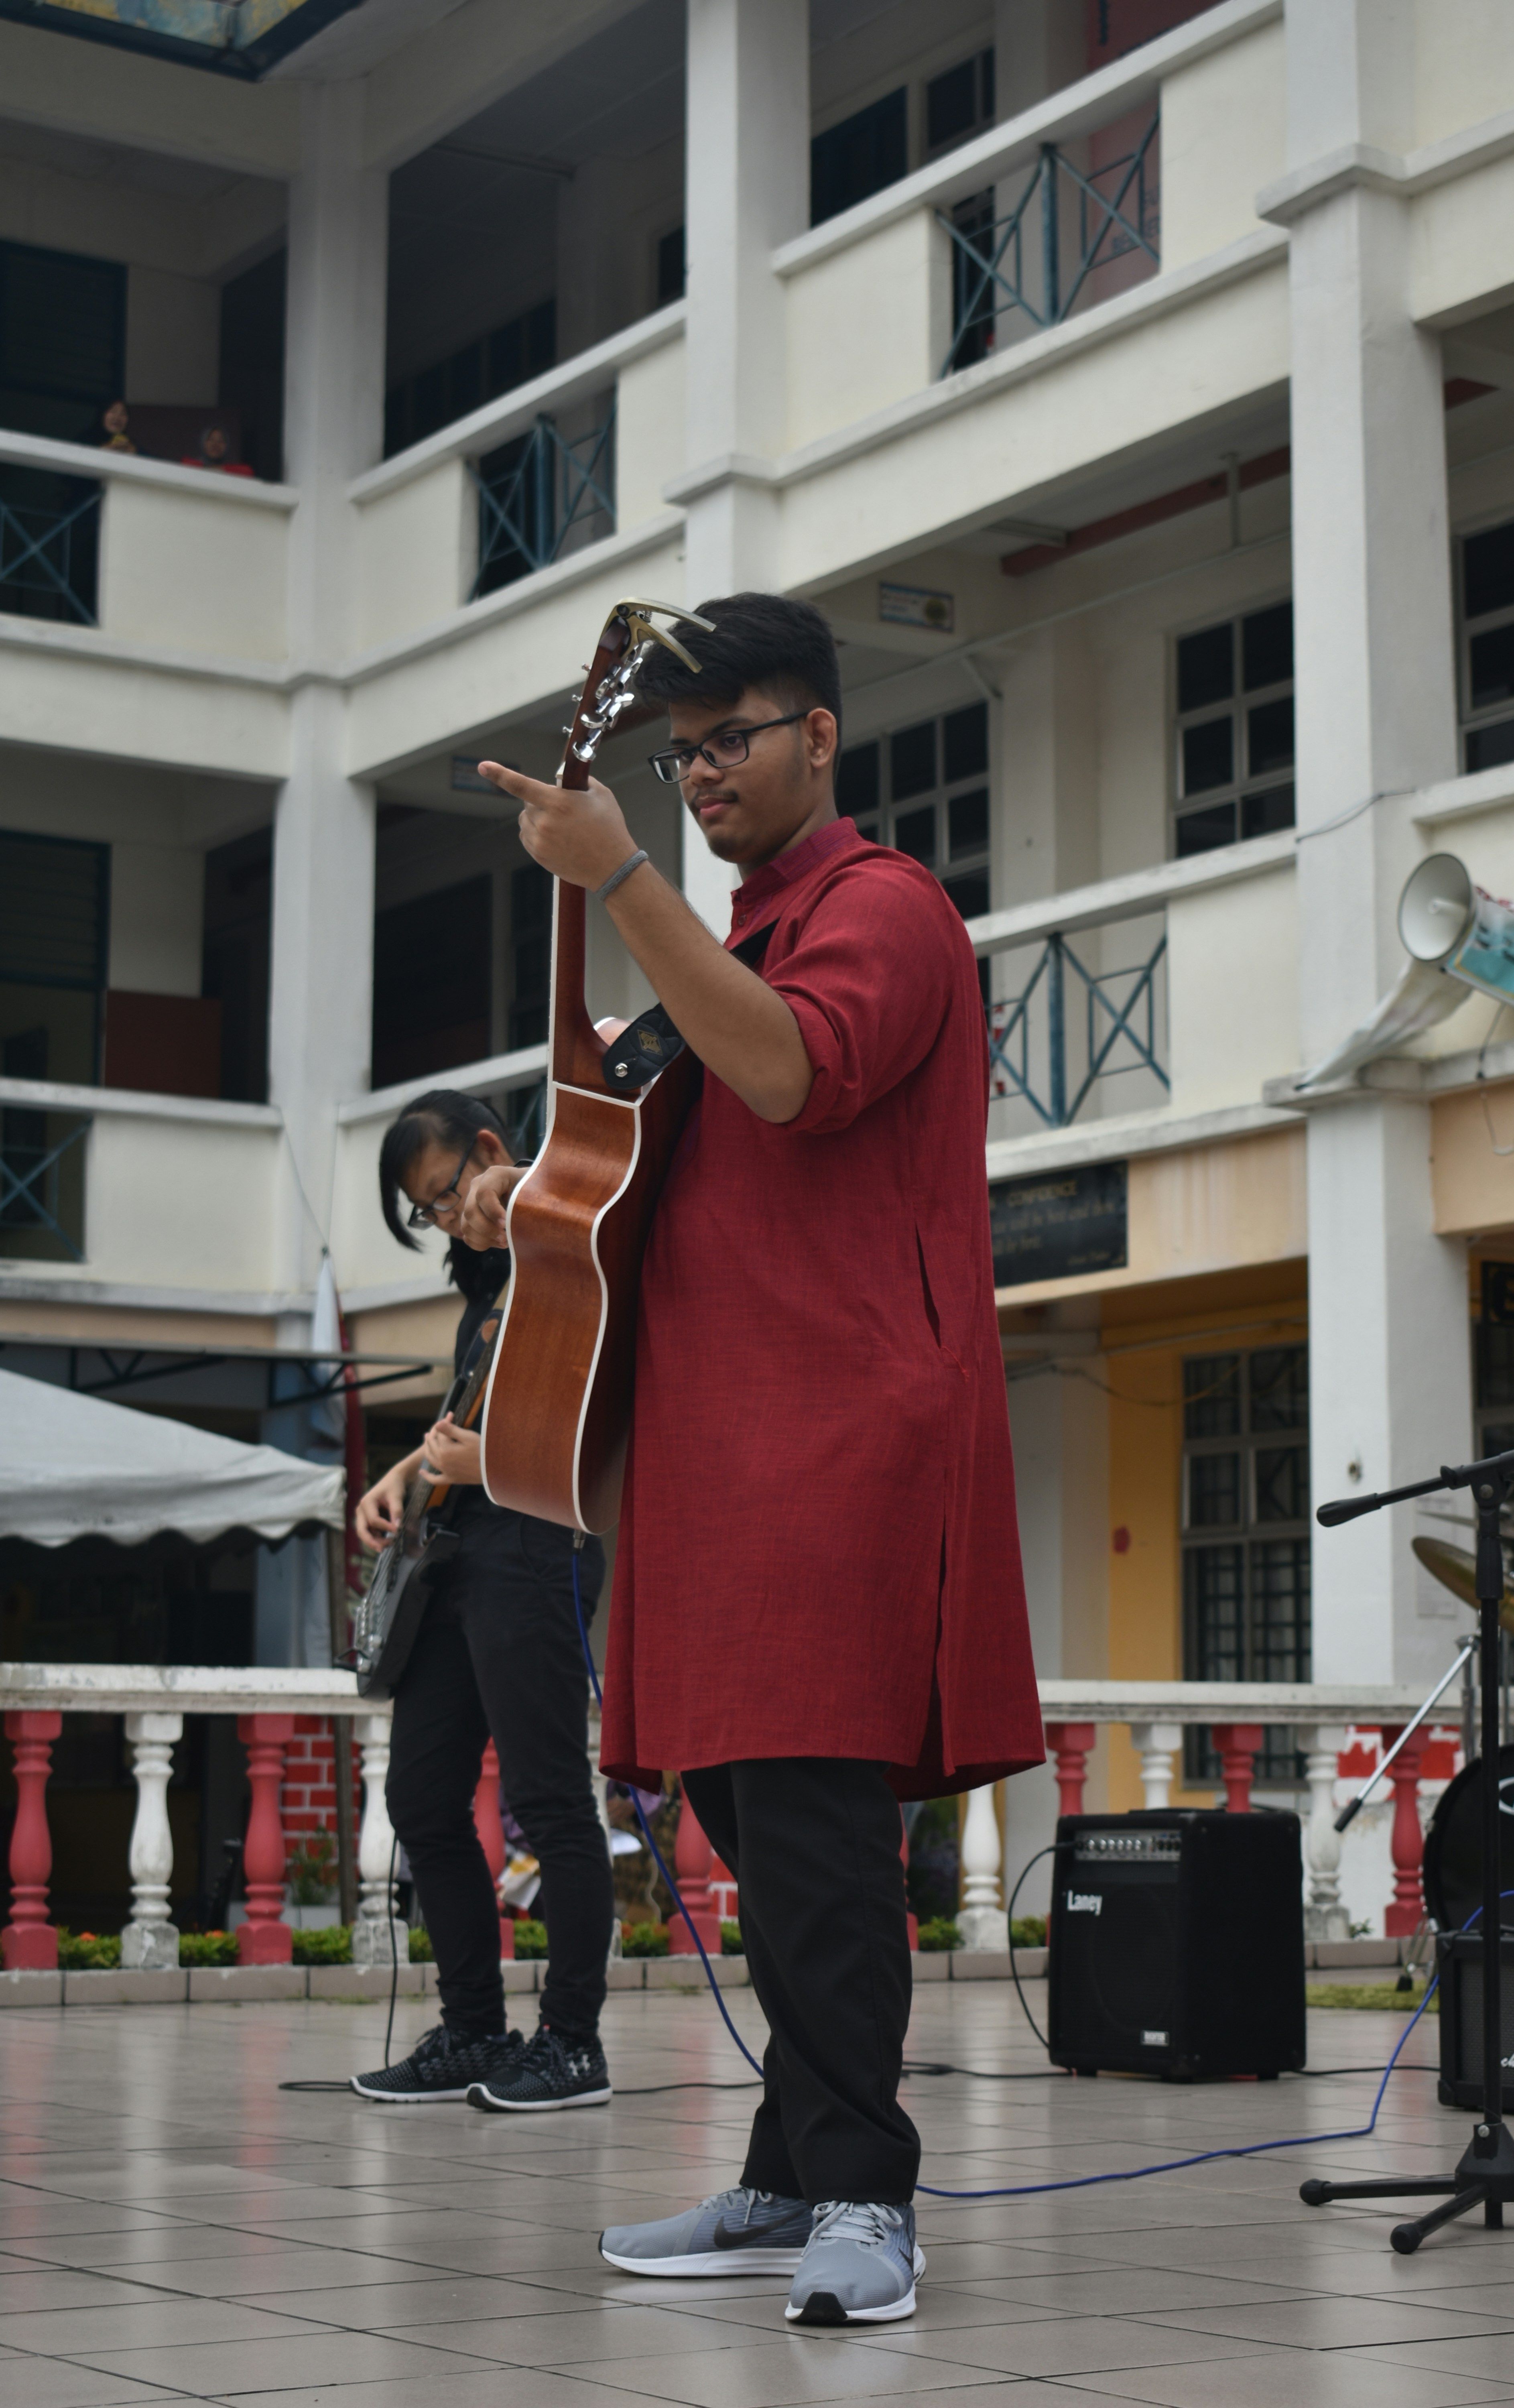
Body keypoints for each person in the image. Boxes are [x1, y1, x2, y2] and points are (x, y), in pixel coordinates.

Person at [459, 594, 1044, 2324]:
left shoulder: (882, 909)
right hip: (721, 1454)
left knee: (806, 1822)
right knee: (743, 1812)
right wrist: (537, 1186)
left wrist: (617, 876)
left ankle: (865, 2197)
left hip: (840, 1433)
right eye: (682, 746)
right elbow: (651, 1149)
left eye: (733, 736)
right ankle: (792, 2176)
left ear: (819, 740)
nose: (701, 769)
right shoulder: (737, 941)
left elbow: (791, 1076)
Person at [349, 1088, 615, 2111]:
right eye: (429, 1212)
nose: (447, 1219)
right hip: (460, 1557)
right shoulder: (490, 1288)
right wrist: (404, 1477)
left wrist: (484, 1460)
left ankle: (571, 2044)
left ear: (492, 1151)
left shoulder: (570, 1251)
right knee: (421, 1795)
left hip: (537, 1549)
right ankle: (471, 2031)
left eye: (444, 1194)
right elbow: (467, 1428)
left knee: (551, 1802)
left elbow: (596, 1426)